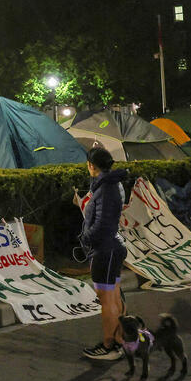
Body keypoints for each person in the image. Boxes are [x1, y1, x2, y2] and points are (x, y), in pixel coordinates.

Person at [80, 146, 128, 361]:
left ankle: (109, 345)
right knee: (114, 295)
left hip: (105, 249)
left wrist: (85, 238)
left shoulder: (106, 188)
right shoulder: (111, 183)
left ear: (91, 165)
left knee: (106, 299)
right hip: (112, 247)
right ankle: (120, 341)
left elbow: (101, 225)